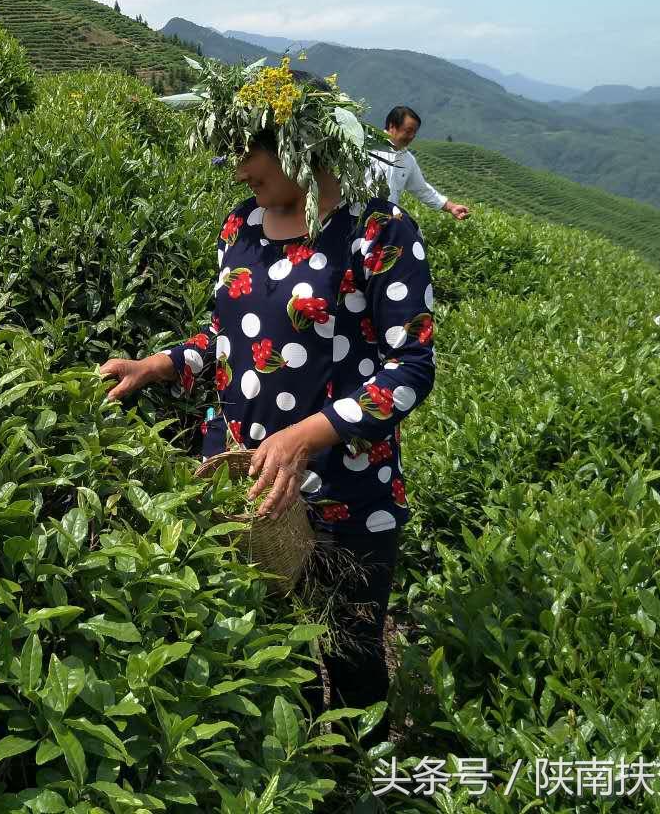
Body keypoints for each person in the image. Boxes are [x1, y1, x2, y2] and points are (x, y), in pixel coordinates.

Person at [102, 62, 436, 748]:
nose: (235, 170)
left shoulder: (379, 233)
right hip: (245, 483)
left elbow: (410, 369)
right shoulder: (240, 225)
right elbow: (228, 337)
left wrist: (306, 435)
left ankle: (359, 778)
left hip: (345, 490)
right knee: (261, 643)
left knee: (350, 654)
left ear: (298, 143)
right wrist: (164, 363)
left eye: (246, 152)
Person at [368, 105, 470, 220]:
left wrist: (451, 207)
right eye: (408, 131)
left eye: (414, 133)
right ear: (392, 126)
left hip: (384, 221)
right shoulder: (367, 147)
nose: (412, 136)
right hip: (355, 217)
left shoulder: (407, 160)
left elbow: (422, 189)